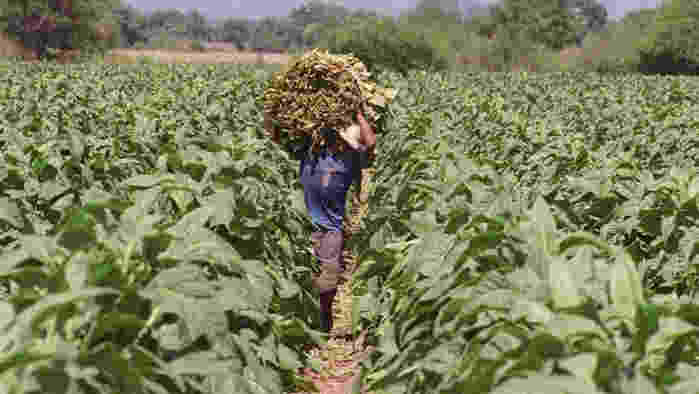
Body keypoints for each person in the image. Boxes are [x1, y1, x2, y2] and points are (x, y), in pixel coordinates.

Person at [265, 109, 376, 333]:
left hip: (331, 229)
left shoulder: (351, 159)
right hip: (303, 226)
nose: (339, 140)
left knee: (327, 281)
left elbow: (371, 143)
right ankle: (304, 322)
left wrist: (357, 113)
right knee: (301, 277)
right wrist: (274, 112)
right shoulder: (311, 150)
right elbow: (274, 138)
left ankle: (325, 322)